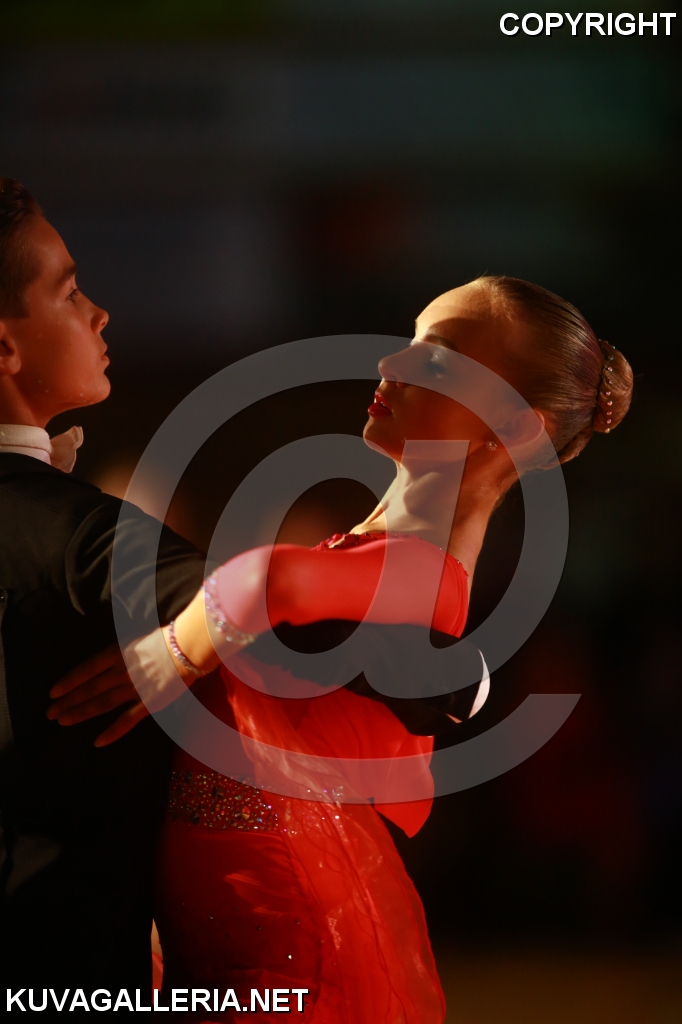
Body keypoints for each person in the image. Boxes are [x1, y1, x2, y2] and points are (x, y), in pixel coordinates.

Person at [52, 276, 633, 1021]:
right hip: (244, 914)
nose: (392, 364)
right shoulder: (376, 556)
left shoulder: (425, 571)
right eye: (411, 340)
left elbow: (267, 582)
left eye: (439, 358)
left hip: (295, 930)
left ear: (517, 427)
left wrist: (166, 656)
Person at [0, 178, 207, 993]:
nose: (99, 313)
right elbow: (298, 631)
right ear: (4, 348)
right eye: (70, 291)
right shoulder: (69, 529)